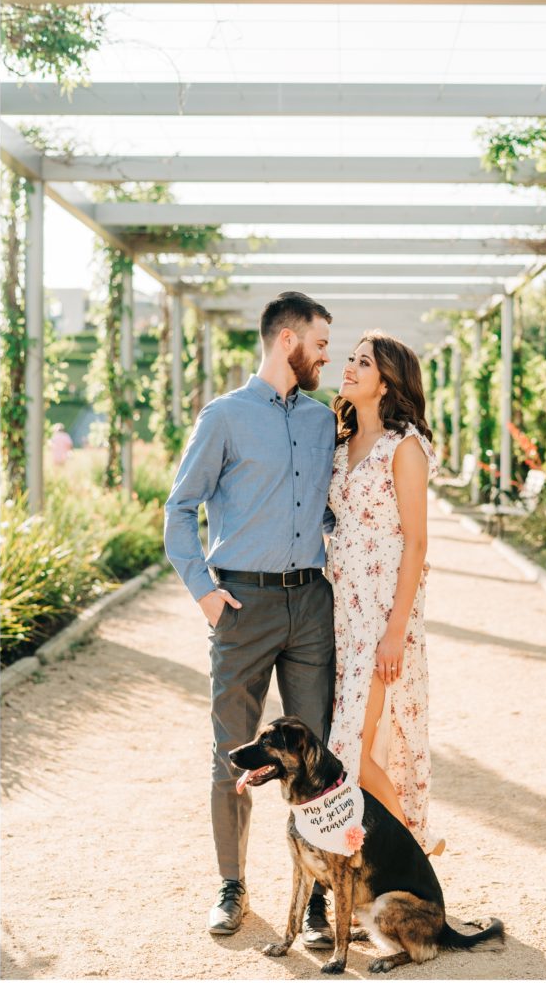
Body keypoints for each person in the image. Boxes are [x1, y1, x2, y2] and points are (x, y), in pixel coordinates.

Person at [164, 292, 337, 945]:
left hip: (311, 606)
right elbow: (180, 508)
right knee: (230, 753)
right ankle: (232, 884)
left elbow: (328, 506)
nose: (327, 355)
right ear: (287, 339)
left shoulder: (323, 422)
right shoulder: (226, 417)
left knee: (317, 755)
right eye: (320, 343)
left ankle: (318, 898)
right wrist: (203, 591)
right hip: (241, 605)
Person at [326, 331, 444, 855]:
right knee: (354, 742)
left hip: (381, 617)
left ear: (387, 381)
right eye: (351, 359)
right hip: (340, 611)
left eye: (363, 362)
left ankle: (409, 855)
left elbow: (417, 543)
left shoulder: (406, 448)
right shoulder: (339, 441)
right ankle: (403, 849)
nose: (348, 367)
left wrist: (395, 633)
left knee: (347, 747)